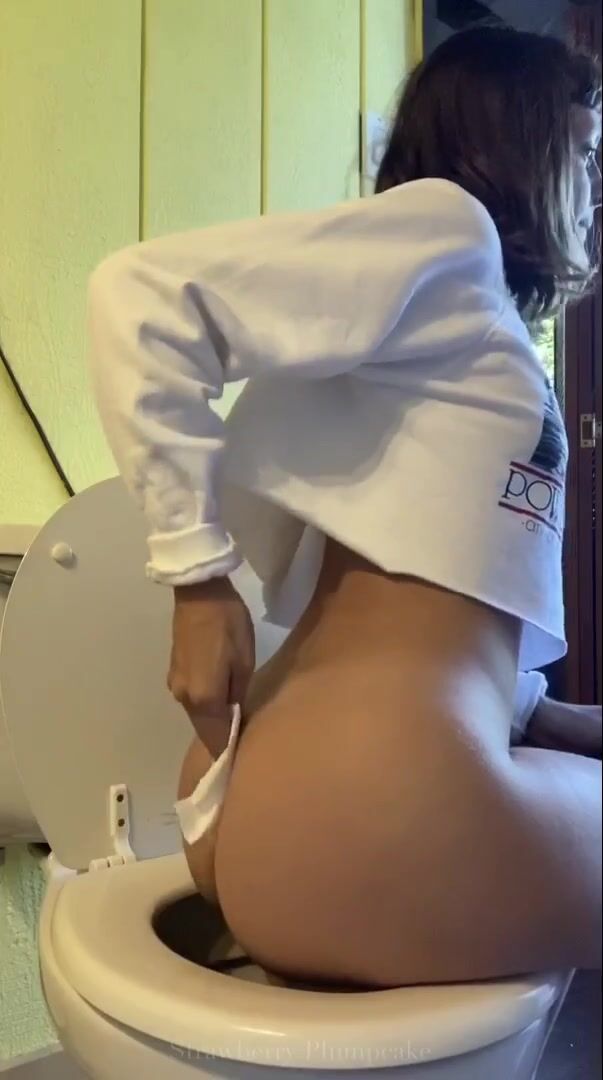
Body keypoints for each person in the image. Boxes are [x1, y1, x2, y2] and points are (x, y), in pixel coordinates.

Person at [88, 28, 602, 987]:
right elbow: (138, 295)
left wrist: (545, 713)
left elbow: (426, 576)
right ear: (510, 138)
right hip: (377, 807)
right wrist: (197, 582)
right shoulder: (449, 227)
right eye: (581, 152)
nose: (590, 183)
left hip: (274, 790)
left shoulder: (438, 310)